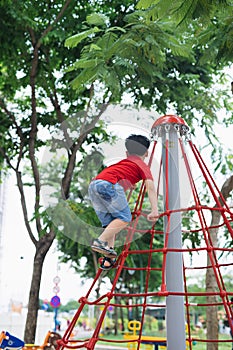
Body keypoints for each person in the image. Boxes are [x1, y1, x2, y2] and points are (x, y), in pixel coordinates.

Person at [88, 134, 159, 270]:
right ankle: (100, 242)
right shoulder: (142, 165)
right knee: (124, 218)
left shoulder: (124, 163)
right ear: (146, 153)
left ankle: (109, 256)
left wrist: (128, 183)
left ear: (127, 153)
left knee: (111, 224)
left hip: (94, 185)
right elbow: (150, 187)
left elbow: (117, 175)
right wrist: (154, 210)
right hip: (109, 185)